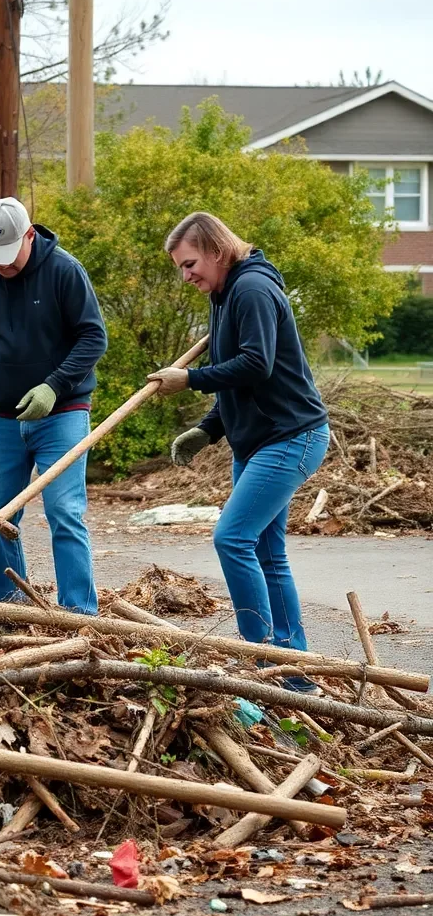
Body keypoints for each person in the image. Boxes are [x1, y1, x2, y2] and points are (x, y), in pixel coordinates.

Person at [148, 212, 329, 692]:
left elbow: (255, 363)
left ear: (217, 250)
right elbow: (233, 377)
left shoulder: (251, 289)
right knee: (268, 552)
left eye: (189, 264)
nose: (185, 276)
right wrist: (209, 428)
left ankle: (260, 657)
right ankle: (292, 670)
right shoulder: (224, 293)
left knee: (232, 538)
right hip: (257, 438)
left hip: (291, 435)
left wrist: (189, 380)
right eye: (180, 268)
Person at [0, 197, 108, 613]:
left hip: (63, 413)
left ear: (30, 235)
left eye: (8, 254)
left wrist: (54, 386)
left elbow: (93, 337)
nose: (0, 265)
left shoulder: (64, 272)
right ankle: (10, 605)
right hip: (2, 415)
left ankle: (78, 613)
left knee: (64, 512)